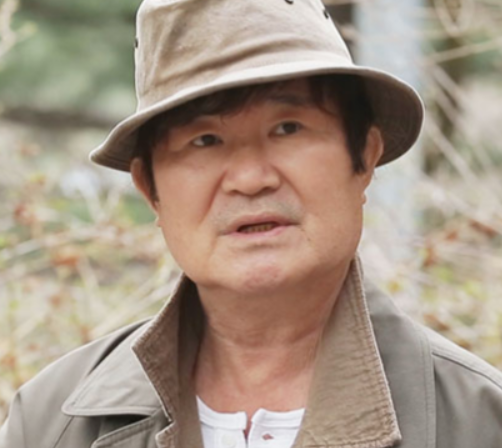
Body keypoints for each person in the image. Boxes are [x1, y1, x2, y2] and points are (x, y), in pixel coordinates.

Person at [2, 0, 502, 447]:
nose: (250, 179)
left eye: (287, 128)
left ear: (365, 157)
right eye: (204, 141)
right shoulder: (52, 423)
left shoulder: (479, 421)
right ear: (148, 187)